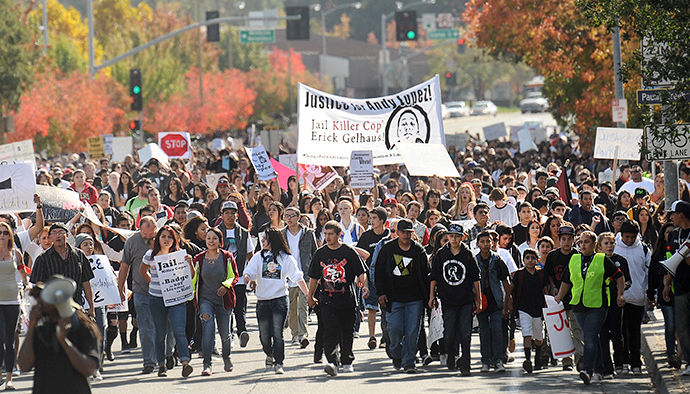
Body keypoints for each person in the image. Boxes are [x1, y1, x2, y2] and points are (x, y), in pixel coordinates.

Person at [555, 231, 625, 385]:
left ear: (595, 245)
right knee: (592, 338)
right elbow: (567, 280)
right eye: (581, 242)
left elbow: (619, 276)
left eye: (586, 242)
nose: (583, 245)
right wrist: (560, 295)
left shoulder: (602, 259)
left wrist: (620, 295)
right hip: (578, 305)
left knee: (590, 337)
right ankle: (600, 370)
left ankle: (587, 370)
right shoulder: (574, 259)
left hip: (597, 305)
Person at [18, 275, 101, 394]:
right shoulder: (41, 331)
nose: (41, 304)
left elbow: (89, 369)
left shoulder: (84, 328)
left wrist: (64, 341)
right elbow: (24, 366)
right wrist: (31, 328)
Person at [244, 228, 310, 375]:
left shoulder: (285, 258)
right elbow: (251, 270)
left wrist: (308, 295)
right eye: (262, 239)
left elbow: (297, 277)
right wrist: (248, 276)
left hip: (280, 299)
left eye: (265, 239)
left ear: (273, 240)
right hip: (263, 301)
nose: (262, 241)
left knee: (277, 332)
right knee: (264, 335)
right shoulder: (258, 257)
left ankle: (279, 362)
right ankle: (269, 354)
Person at [307, 221, 368, 377]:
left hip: (347, 299)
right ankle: (332, 362)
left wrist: (365, 284)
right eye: (325, 234)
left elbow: (361, 271)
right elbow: (314, 277)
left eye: (331, 234)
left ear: (339, 235)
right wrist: (310, 296)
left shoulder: (348, 252)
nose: (327, 237)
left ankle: (347, 360)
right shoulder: (320, 254)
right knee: (330, 331)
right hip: (327, 300)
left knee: (347, 332)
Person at [139, 225, 195, 378]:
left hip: (177, 298)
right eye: (163, 236)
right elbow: (142, 271)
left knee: (179, 330)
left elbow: (190, 275)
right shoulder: (150, 255)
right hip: (157, 299)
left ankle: (185, 362)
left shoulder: (180, 255)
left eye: (170, 237)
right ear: (158, 239)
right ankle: (161, 364)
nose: (166, 239)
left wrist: (190, 263)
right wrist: (154, 284)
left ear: (174, 239)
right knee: (160, 332)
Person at [375, 218, 430, 374]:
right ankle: (396, 352)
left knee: (413, 330)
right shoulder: (387, 250)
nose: (406, 235)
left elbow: (426, 274)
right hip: (394, 298)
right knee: (394, 329)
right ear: (397, 233)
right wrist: (381, 293)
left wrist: (429, 297)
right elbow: (378, 273)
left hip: (415, 298)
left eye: (409, 232)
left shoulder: (418, 251)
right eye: (403, 232)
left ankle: (409, 361)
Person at [429, 223, 481, 376]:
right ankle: (452, 355)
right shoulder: (441, 254)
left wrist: (478, 300)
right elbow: (434, 277)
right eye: (451, 236)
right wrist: (432, 296)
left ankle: (466, 363)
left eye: (457, 236)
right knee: (449, 332)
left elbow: (475, 278)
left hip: (465, 299)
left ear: (462, 238)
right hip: (448, 299)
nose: (453, 239)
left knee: (466, 333)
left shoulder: (467, 254)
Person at [193, 227, 239, 376]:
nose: (211, 241)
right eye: (208, 238)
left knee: (225, 333)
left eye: (214, 238)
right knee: (208, 330)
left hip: (223, 301)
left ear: (220, 241)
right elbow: (193, 278)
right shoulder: (199, 259)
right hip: (206, 300)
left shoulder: (227, 257)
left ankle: (226, 356)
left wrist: (226, 285)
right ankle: (207, 364)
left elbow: (234, 276)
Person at [117, 216, 157, 374]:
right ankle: (149, 361)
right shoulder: (131, 242)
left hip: (162, 291)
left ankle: (165, 354)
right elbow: (125, 265)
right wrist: (120, 288)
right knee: (146, 327)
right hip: (141, 291)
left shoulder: (163, 238)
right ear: (139, 229)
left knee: (161, 326)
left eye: (151, 235)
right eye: (144, 234)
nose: (148, 238)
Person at [31, 223, 96, 316]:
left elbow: (86, 282)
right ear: (50, 237)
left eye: (61, 232)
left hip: (76, 305)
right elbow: (39, 285)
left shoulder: (79, 255)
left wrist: (91, 307)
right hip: (53, 308)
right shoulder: (43, 259)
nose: (58, 236)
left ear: (67, 235)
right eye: (54, 233)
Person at [543, 224, 582, 370]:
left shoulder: (578, 255)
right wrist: (553, 287)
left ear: (574, 240)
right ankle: (567, 360)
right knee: (562, 329)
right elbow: (549, 275)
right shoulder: (553, 255)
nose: (566, 242)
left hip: (575, 297)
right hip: (558, 298)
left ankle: (580, 357)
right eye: (563, 239)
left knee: (577, 328)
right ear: (559, 240)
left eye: (569, 239)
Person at [614, 220, 650, 375]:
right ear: (621, 235)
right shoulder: (613, 247)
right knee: (619, 332)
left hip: (637, 297)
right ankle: (621, 362)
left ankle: (636, 362)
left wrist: (648, 292)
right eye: (626, 237)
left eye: (632, 237)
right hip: (617, 298)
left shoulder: (643, 249)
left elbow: (648, 272)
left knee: (634, 332)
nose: (629, 240)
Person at [216, 201, 254, 348]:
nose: (230, 216)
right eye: (227, 213)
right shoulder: (216, 232)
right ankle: (229, 335)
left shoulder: (243, 234)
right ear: (222, 215)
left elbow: (250, 255)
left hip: (239, 277)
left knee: (240, 307)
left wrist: (252, 275)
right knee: (226, 308)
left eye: (233, 213)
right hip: (222, 278)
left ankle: (242, 331)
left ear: (237, 215)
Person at [474, 231, 511, 373]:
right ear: (477, 244)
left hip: (496, 301)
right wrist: (475, 302)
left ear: (492, 243)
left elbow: (505, 283)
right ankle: (485, 360)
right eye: (482, 242)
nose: (485, 244)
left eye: (487, 241)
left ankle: (499, 360)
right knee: (483, 330)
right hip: (481, 301)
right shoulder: (474, 260)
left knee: (496, 328)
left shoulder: (497, 260)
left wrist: (508, 302)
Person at [281, 207, 317, 348]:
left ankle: (303, 335)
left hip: (305, 274)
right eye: (286, 216)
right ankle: (295, 334)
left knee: (303, 305)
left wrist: (316, 275)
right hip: (288, 276)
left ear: (298, 217)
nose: (289, 218)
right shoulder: (282, 234)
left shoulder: (308, 234)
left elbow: (314, 253)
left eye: (292, 215)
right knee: (291, 307)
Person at [506, 248, 547, 373]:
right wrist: (508, 303)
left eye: (533, 258)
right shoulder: (519, 274)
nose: (530, 261)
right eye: (527, 258)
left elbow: (545, 290)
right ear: (523, 260)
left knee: (539, 337)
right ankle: (528, 360)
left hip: (538, 309)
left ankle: (538, 359)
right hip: (523, 309)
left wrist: (547, 307)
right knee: (527, 334)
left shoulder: (541, 274)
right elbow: (510, 289)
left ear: (537, 260)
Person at [597, 232, 631, 379]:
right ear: (599, 246)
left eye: (611, 243)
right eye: (606, 243)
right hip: (601, 303)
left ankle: (620, 362)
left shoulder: (620, 261)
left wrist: (620, 290)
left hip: (616, 303)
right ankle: (606, 367)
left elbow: (627, 280)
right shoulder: (597, 261)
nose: (609, 246)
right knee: (602, 336)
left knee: (617, 334)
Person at [356, 207, 390, 350]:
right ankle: (371, 337)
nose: (371, 221)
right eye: (370, 218)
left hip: (386, 276)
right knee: (371, 307)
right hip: (369, 276)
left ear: (382, 220)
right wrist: (361, 277)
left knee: (386, 308)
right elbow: (358, 255)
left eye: (374, 218)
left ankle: (385, 337)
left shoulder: (389, 236)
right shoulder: (366, 236)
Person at [0, 222, 29, 390]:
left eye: (5, 232)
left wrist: (27, 285)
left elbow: (23, 274)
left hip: (12, 301)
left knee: (10, 340)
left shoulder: (16, 254)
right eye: (0, 232)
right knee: (0, 338)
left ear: (10, 235)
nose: (2, 235)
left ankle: (9, 378)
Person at [664, 200, 690, 376]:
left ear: (681, 215)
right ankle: (689, 361)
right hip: (679, 285)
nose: (670, 217)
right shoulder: (674, 235)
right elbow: (670, 259)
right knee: (683, 326)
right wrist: (667, 284)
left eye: (672, 214)